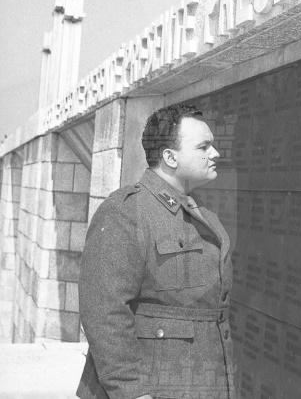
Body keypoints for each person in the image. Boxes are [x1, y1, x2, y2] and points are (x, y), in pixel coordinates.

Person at [76, 104, 235, 399]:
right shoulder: (126, 211)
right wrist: (132, 390)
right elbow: (103, 310)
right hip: (151, 389)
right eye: (203, 147)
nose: (215, 153)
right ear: (170, 157)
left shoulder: (204, 215)